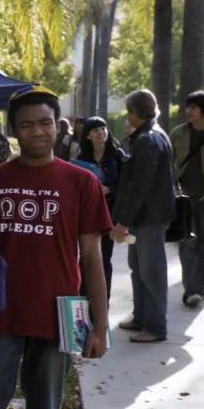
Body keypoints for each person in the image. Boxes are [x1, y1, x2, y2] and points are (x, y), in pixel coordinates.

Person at [0, 85, 111, 409]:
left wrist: (100, 325)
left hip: (60, 316)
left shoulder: (82, 182)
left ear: (58, 126)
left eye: (45, 123)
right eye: (27, 124)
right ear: (13, 130)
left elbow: (92, 256)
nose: (37, 131)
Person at [112, 89, 176, 343]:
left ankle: (155, 327)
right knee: (138, 269)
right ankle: (141, 318)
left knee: (151, 273)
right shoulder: (152, 135)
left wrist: (124, 221)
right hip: (146, 216)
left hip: (149, 217)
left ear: (136, 112)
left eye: (129, 111)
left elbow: (140, 187)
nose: (127, 116)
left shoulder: (148, 139)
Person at [76, 116, 126, 299]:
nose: (101, 133)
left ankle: (102, 302)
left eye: (103, 128)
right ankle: (84, 301)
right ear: (88, 136)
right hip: (89, 214)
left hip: (110, 214)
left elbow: (127, 184)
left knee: (104, 259)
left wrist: (110, 189)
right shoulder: (81, 159)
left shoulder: (118, 156)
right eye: (96, 130)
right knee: (85, 258)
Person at [170, 90, 204, 308]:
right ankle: (192, 290)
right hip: (185, 198)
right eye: (187, 107)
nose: (188, 111)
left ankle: (199, 286)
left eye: (193, 107)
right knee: (187, 243)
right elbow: (168, 164)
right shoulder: (178, 133)